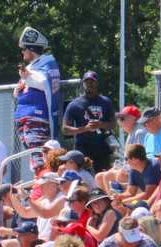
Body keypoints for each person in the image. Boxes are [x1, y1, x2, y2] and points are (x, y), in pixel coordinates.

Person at [12, 27, 61, 171]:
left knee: (39, 158)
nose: (22, 52)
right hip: (25, 119)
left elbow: (44, 83)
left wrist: (28, 77)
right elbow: (22, 89)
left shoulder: (48, 63)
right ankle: (40, 186)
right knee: (36, 158)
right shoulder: (33, 66)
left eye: (24, 49)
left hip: (36, 119)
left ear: (31, 50)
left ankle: (42, 187)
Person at [62, 70, 115, 170]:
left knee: (102, 178)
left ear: (97, 83)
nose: (89, 84)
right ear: (83, 84)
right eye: (87, 82)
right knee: (83, 177)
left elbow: (113, 124)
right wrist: (85, 129)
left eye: (92, 81)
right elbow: (65, 129)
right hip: (83, 148)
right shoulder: (74, 104)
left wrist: (100, 124)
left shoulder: (105, 102)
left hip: (101, 147)